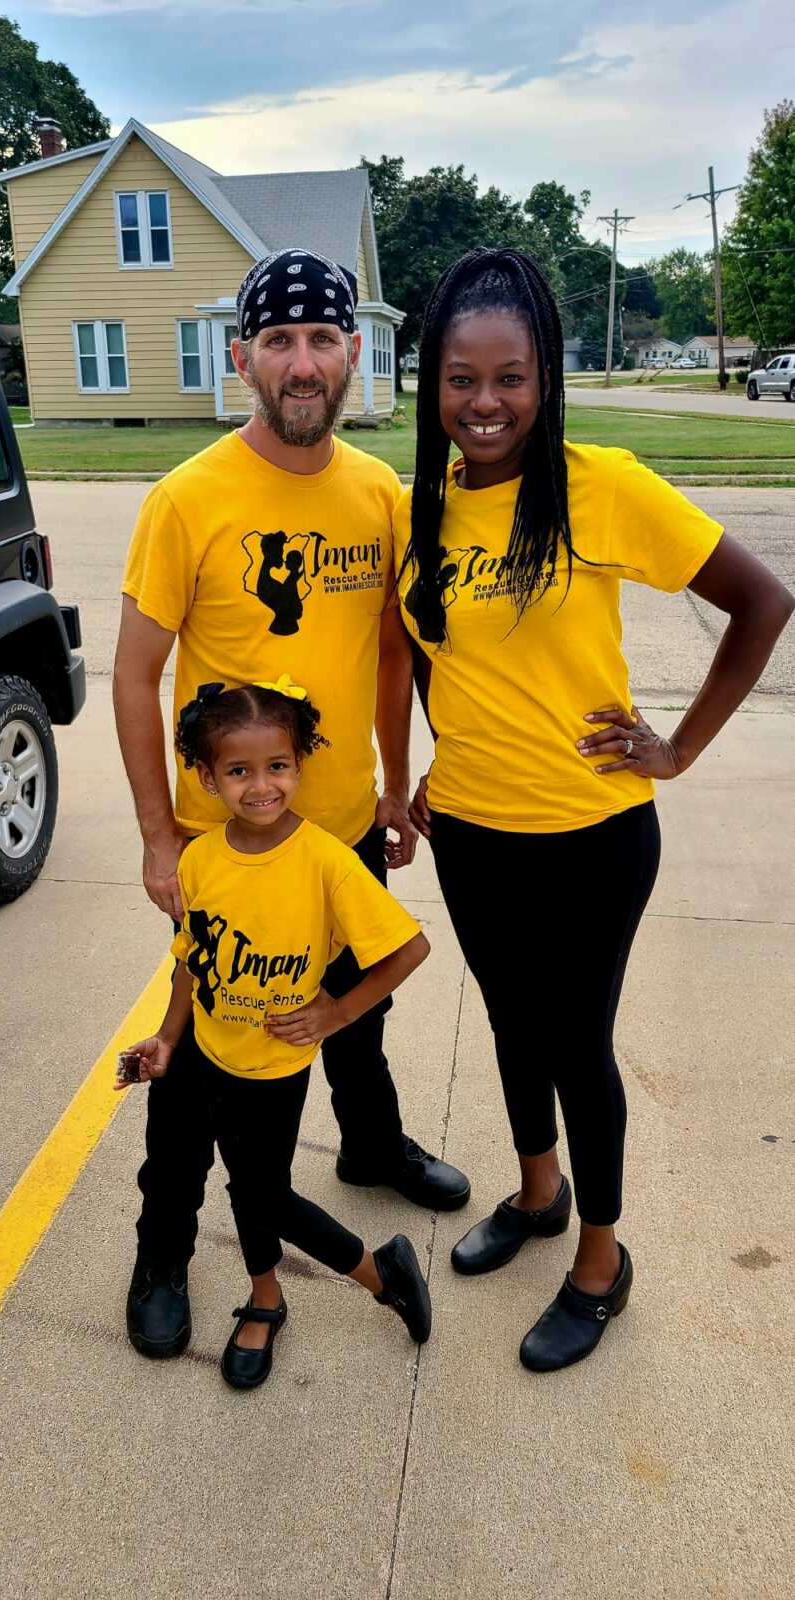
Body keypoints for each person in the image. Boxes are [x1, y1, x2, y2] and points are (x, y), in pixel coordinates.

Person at [396, 246, 793, 1373]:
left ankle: (604, 1263)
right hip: (471, 829)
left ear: (546, 377)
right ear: (434, 382)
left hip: (590, 836)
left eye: (510, 378)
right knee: (513, 1024)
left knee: (577, 1043)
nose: (485, 404)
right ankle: (539, 1194)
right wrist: (442, 756)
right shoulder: (425, 507)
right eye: (462, 379)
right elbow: (437, 655)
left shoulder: (600, 484)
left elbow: (764, 603)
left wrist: (676, 748)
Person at [114, 246, 469, 1360]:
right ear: (243, 357)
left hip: (345, 822)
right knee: (203, 1066)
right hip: (229, 838)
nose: (302, 362)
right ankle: (164, 1244)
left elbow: (391, 660)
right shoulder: (189, 497)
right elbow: (132, 673)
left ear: (355, 353)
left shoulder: (380, 495)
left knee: (355, 1008)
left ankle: (374, 1148)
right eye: (279, 341)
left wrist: (396, 786)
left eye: (322, 339)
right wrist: (157, 831)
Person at [116, 679, 432, 1390]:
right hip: (210, 1054)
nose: (262, 786)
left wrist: (338, 1013)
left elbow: (407, 949)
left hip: (276, 1068)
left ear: (300, 764)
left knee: (265, 1196)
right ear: (207, 777)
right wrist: (168, 1039)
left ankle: (383, 1274)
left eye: (278, 767)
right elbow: (191, 964)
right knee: (246, 1187)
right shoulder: (199, 860)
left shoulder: (324, 860)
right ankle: (265, 1298)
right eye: (239, 771)